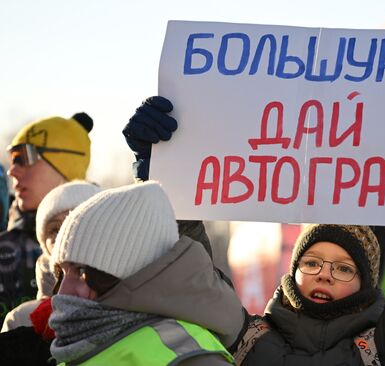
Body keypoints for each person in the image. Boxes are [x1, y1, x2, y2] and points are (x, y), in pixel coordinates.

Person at [123, 96, 385, 365]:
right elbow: (190, 278)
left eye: (344, 268)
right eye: (313, 261)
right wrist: (162, 173)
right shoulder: (244, 340)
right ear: (292, 269)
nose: (325, 275)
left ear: (367, 281)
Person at [48, 181, 236, 365]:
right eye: (61, 274)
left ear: (128, 271)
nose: (62, 292)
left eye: (80, 272)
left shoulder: (192, 358)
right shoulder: (76, 345)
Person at [0, 112, 93, 325]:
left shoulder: (115, 244)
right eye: (12, 160)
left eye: (24, 156)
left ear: (66, 162)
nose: (12, 171)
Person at [1, 180, 102, 332]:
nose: (64, 236)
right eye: (54, 229)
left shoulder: (124, 311)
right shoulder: (21, 320)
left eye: (76, 225)